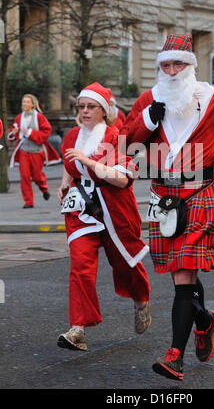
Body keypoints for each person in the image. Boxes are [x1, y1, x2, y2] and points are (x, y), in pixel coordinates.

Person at [120, 35, 214, 381]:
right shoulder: (149, 99)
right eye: (166, 65)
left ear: (190, 66)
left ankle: (175, 356)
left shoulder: (213, 98)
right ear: (159, 67)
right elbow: (126, 142)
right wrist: (146, 120)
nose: (172, 72)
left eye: (178, 65)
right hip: (163, 197)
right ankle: (204, 321)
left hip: (201, 191)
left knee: (185, 273)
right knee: (181, 274)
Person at [57, 82, 151, 352]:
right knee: (80, 266)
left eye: (91, 107)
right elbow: (69, 162)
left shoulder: (117, 136)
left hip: (113, 209)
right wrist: (65, 181)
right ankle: (78, 329)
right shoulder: (73, 135)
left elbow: (122, 179)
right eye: (81, 107)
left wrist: (88, 163)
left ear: (104, 110)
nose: (85, 112)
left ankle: (141, 300)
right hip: (81, 210)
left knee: (124, 264)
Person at [7, 94, 60, 208]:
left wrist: (29, 132)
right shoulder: (19, 117)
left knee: (37, 176)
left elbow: (46, 132)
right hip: (23, 151)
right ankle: (28, 202)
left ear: (32, 104)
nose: (24, 104)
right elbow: (12, 135)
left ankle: (44, 188)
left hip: (37, 150)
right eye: (23, 102)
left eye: (27, 102)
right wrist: (14, 132)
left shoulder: (40, 117)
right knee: (24, 177)